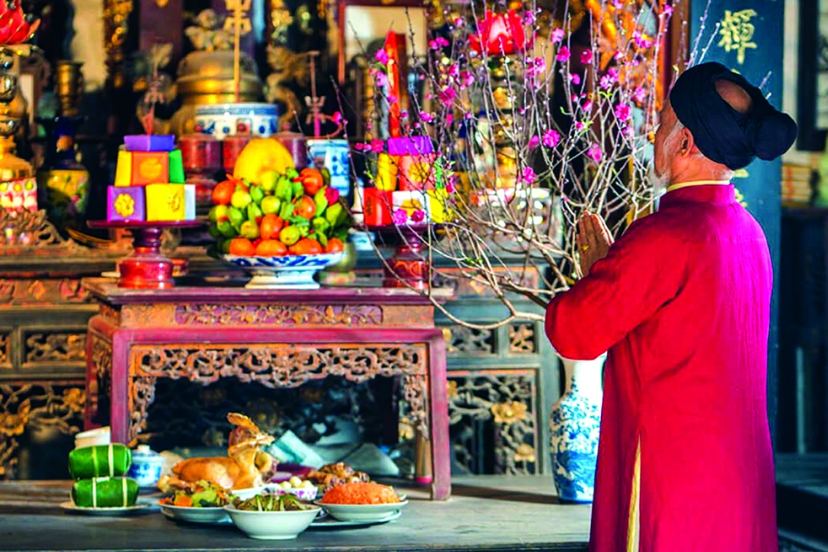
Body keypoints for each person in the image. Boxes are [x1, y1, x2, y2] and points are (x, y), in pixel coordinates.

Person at [545, 61, 798, 552]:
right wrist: (613, 269)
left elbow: (573, 332)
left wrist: (600, 270)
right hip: (739, 482)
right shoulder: (750, 234)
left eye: (661, 123)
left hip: (672, 480)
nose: (652, 133)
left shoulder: (664, 237)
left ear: (684, 143)